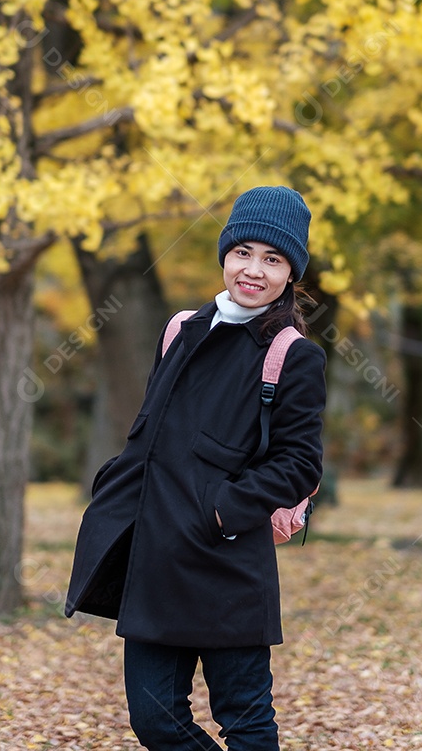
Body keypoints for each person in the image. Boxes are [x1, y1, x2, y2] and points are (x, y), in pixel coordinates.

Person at [65, 186, 327, 750]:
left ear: (290, 274)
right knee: (155, 719)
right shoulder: (180, 330)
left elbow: (301, 463)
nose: (253, 270)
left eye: (273, 259)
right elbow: (152, 432)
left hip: (226, 562)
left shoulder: (292, 354)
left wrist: (220, 512)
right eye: (243, 252)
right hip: (156, 559)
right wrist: (118, 484)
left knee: (246, 722)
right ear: (225, 254)